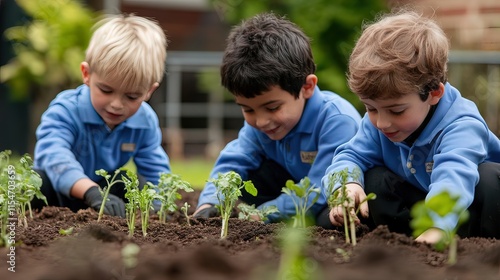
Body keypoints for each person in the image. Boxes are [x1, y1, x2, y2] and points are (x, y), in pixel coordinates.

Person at [319, 9, 500, 243]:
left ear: (434, 93)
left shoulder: (462, 124)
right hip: (420, 205)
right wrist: (346, 186)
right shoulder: (379, 123)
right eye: (370, 108)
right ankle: (404, 242)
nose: (382, 122)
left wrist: (437, 225)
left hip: (470, 212)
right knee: (373, 179)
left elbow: (453, 179)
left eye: (397, 110)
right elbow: (350, 155)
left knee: (488, 179)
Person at [193, 12, 362, 223]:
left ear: (307, 87)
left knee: (327, 219)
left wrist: (262, 213)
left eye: (272, 107)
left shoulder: (336, 120)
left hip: (329, 194)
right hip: (291, 187)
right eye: (248, 110)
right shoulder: (260, 126)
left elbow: (319, 187)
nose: (261, 121)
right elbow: (235, 159)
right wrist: (210, 201)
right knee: (249, 177)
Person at [31, 14, 170, 217]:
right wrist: (90, 192)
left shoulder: (144, 121)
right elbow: (55, 157)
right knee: (32, 182)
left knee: (124, 182)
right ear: (86, 74)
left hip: (104, 194)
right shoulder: (66, 110)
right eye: (106, 90)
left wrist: (158, 209)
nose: (116, 105)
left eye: (132, 96)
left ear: (149, 91)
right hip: (56, 192)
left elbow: (155, 169)